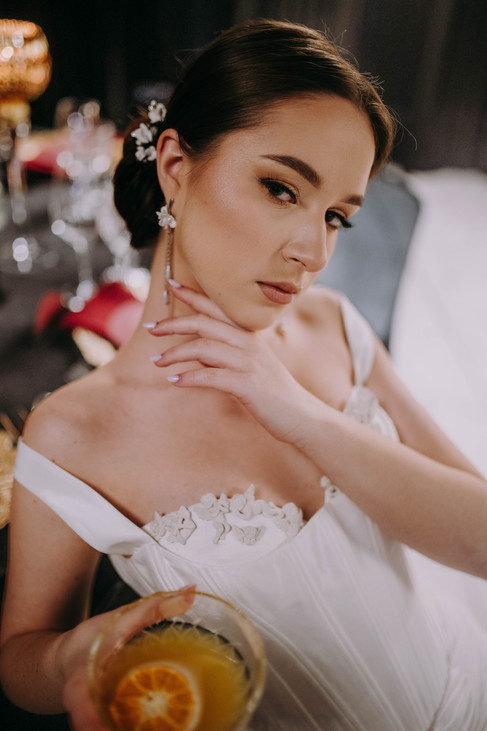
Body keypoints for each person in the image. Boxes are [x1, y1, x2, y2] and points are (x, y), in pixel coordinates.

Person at [1, 17, 487, 730]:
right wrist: (72, 655)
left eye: (337, 216)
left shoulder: (332, 327)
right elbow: (20, 656)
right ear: (175, 166)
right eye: (281, 188)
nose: (313, 251)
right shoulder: (74, 433)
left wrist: (300, 414)